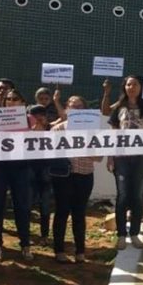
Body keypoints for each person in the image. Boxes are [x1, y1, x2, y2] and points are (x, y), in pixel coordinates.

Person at [51, 96, 101, 264]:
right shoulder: (57, 130)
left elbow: (99, 157)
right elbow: (50, 153)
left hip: (85, 175)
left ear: (85, 110)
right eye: (72, 107)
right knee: (61, 212)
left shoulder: (93, 131)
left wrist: (85, 146)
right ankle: (59, 250)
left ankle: (80, 252)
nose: (76, 110)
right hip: (63, 177)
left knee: (79, 213)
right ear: (66, 109)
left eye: (80, 107)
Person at [108, 76, 143, 250]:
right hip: (121, 158)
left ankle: (134, 234)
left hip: (142, 158)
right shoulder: (118, 107)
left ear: (141, 87)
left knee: (137, 196)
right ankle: (121, 234)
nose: (131, 87)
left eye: (135, 84)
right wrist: (110, 156)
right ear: (124, 87)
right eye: (128, 84)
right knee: (122, 196)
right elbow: (113, 133)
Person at [0, 89, 34, 262]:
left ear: (23, 102)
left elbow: (39, 139)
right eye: (8, 99)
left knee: (22, 206)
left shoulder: (29, 119)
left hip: (21, 167)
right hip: (1, 167)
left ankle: (25, 245)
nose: (11, 101)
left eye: (16, 99)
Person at [28, 103, 54, 246]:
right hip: (28, 171)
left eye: (42, 115)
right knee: (27, 205)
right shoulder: (24, 131)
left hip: (46, 172)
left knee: (45, 206)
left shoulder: (53, 130)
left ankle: (44, 235)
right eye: (34, 115)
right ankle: (27, 235)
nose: (38, 118)